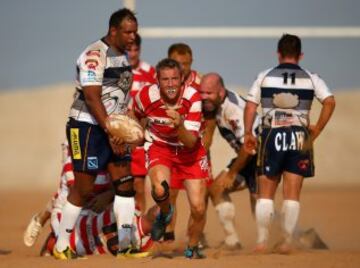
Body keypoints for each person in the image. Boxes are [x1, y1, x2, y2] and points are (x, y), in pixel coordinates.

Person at [53, 8, 139, 260]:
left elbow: (118, 98)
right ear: (114, 31)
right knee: (83, 187)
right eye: (128, 32)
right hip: (86, 127)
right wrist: (111, 130)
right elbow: (91, 98)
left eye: (135, 31)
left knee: (125, 182)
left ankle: (125, 246)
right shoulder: (94, 55)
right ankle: (61, 246)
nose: (133, 37)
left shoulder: (123, 57)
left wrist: (123, 128)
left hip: (111, 129)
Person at [244, 34, 336, 254]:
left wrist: (248, 133)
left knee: (266, 190)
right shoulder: (312, 77)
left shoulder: (264, 76)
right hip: (299, 135)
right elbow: (330, 102)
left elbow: (250, 106)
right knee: (292, 191)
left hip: (270, 134)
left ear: (278, 53)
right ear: (300, 55)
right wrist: (318, 128)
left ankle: (262, 242)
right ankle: (286, 241)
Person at [133, 58, 208, 259]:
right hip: (160, 147)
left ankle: (191, 247)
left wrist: (179, 126)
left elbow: (191, 142)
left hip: (190, 153)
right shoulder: (146, 95)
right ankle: (165, 213)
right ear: (157, 80)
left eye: (175, 79)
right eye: (165, 79)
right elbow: (134, 113)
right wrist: (135, 132)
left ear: (182, 79)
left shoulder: (192, 97)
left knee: (199, 207)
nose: (171, 84)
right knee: (159, 189)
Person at [200, 73, 259, 249]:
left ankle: (300, 238)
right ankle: (232, 241)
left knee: (260, 206)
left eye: (209, 93)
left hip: (261, 157)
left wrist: (232, 173)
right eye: (202, 93)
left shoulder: (233, 110)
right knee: (216, 189)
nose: (204, 97)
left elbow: (249, 147)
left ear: (221, 92)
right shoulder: (215, 106)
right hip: (247, 157)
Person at [165, 43, 216, 248]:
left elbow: (211, 117)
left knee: (199, 198)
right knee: (170, 194)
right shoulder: (163, 83)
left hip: (196, 148)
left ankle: (193, 238)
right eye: (178, 63)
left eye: (186, 63)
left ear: (191, 61)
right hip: (171, 147)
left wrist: (208, 141)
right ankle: (168, 237)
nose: (182, 67)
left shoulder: (202, 83)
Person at [128, 33, 157, 213]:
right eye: (128, 49)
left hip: (140, 138)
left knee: (139, 185)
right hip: (117, 137)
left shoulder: (150, 72)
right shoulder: (115, 71)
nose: (132, 53)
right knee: (118, 185)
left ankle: (140, 228)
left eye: (135, 49)